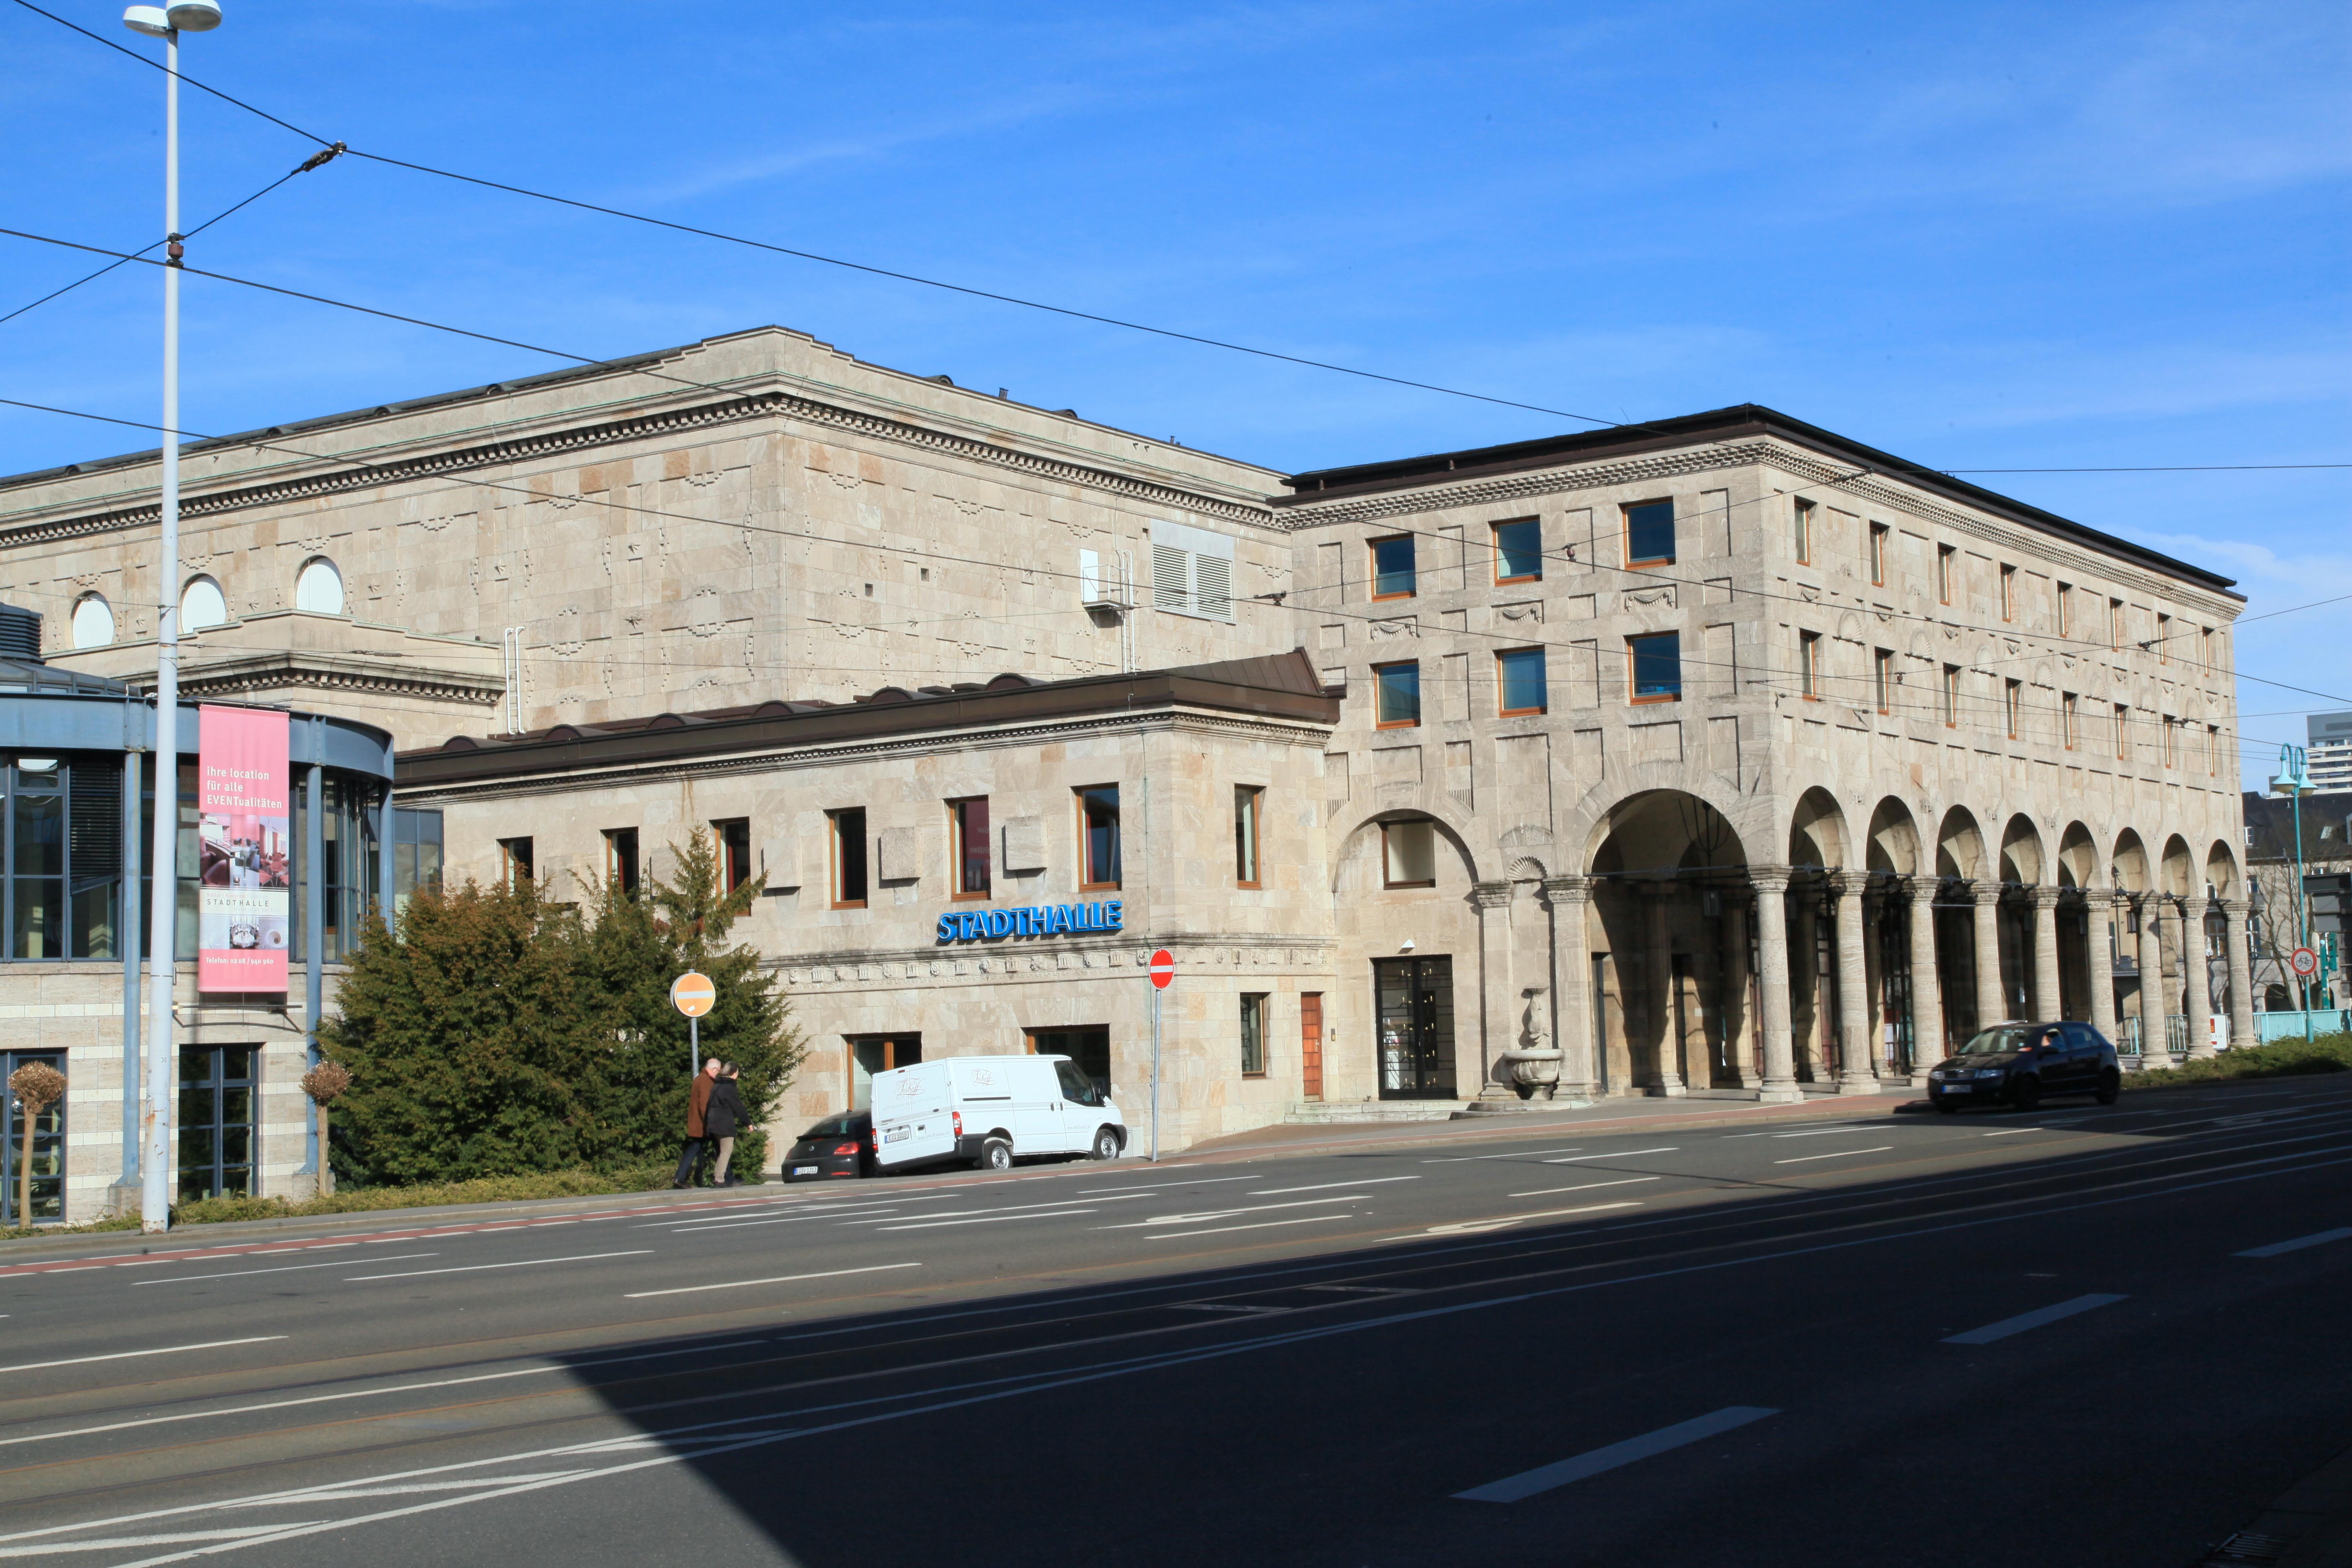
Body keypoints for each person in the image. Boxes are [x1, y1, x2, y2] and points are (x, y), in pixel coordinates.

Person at [672, 1056, 722, 1189]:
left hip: (700, 1124)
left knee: (695, 1147)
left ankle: (679, 1177)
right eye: (719, 1071)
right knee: (722, 1149)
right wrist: (710, 1122)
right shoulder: (706, 1081)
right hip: (704, 1124)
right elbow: (705, 1105)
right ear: (714, 1069)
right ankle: (727, 1178)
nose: (718, 1075)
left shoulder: (700, 1079)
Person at [706, 1062, 750, 1187]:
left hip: (713, 1122)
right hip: (724, 1123)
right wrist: (748, 1123)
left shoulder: (717, 1085)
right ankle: (719, 1180)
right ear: (734, 1073)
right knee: (726, 1151)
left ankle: (717, 1177)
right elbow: (738, 1106)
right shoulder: (729, 1087)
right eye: (737, 1072)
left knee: (722, 1151)